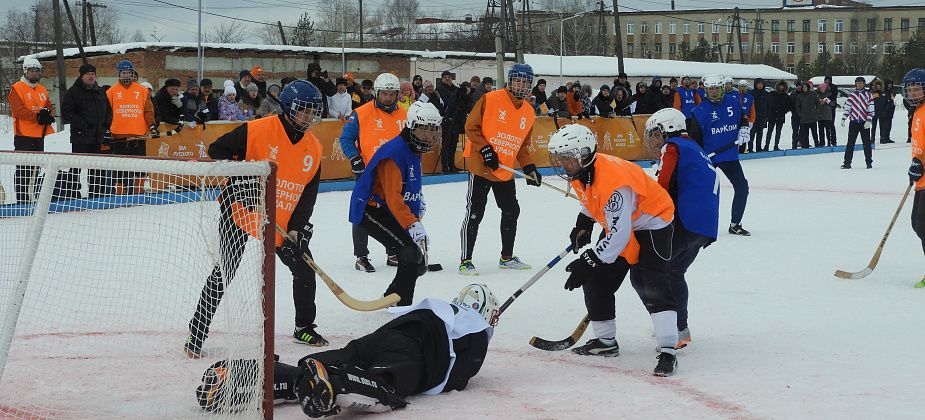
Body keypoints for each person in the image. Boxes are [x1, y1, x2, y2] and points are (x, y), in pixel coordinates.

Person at [184, 80, 329, 358]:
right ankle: (197, 331)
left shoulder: (314, 147)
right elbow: (217, 150)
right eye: (304, 111)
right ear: (288, 108)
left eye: (314, 112)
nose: (309, 117)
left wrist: (298, 228)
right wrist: (245, 181)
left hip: (279, 217)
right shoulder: (258, 129)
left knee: (304, 269)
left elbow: (308, 194)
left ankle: (304, 326)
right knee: (225, 270)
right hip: (240, 210)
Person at [196, 284, 496, 417]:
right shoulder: (477, 328)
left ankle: (254, 376)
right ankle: (339, 384)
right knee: (383, 384)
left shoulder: (438, 307)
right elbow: (460, 374)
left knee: (314, 368)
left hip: (378, 340)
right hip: (408, 352)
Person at [547, 124, 679, 377]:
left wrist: (589, 259)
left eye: (566, 157)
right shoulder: (582, 171)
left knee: (649, 283)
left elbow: (618, 235)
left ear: (583, 153)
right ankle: (605, 342)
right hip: (625, 222)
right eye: (560, 157)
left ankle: (668, 349)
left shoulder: (613, 180)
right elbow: (592, 199)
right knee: (597, 279)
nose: (562, 163)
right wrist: (583, 223)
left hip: (653, 222)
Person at [348, 101, 442, 305]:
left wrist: (418, 203)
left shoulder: (414, 147)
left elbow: (408, 185)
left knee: (417, 262)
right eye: (424, 128)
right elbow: (393, 197)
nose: (429, 134)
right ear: (411, 126)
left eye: (433, 129)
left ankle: (392, 297)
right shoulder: (395, 152)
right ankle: (401, 305)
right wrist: (413, 224)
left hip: (389, 208)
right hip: (371, 209)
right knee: (409, 254)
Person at [647, 108, 719, 349]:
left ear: (668, 129)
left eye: (656, 133)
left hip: (686, 220)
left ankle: (671, 329)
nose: (655, 140)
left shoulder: (674, 146)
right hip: (704, 225)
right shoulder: (696, 148)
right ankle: (681, 329)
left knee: (657, 272)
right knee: (674, 272)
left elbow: (663, 186)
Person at [459, 63, 541, 275]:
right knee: (475, 212)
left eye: (526, 82)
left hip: (504, 169)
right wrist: (486, 150)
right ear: (510, 81)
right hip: (481, 166)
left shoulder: (529, 112)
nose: (521, 85)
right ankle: (465, 260)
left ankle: (507, 257)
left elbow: (522, 146)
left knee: (512, 210)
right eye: (518, 80)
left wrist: (529, 167)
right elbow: (471, 127)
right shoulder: (490, 98)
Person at [338, 73, 408, 272]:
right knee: (363, 212)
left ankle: (393, 252)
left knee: (394, 211)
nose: (387, 97)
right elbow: (346, 139)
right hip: (368, 172)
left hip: (394, 174)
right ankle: (361, 256)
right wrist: (355, 159)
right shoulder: (360, 113)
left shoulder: (405, 115)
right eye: (384, 93)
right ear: (377, 92)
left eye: (391, 93)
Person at [689, 74, 751, 236]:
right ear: (706, 90)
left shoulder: (733, 102)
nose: (714, 92)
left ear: (722, 88)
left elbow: (743, 118)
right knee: (704, 191)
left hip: (730, 156)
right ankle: (697, 225)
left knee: (742, 187)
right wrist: (699, 158)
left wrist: (744, 127)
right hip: (709, 158)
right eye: (710, 89)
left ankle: (735, 224)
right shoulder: (699, 111)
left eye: (716, 88)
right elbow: (695, 139)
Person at [61, 62, 112, 198]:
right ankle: (72, 193)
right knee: (76, 166)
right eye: (88, 74)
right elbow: (66, 112)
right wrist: (81, 124)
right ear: (82, 76)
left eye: (93, 74)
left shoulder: (100, 91)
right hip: (81, 136)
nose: (91, 76)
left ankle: (97, 194)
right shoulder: (73, 92)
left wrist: (106, 125)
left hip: (97, 136)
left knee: (96, 167)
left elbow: (108, 110)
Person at [8, 57, 55, 203]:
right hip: (23, 136)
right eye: (32, 71)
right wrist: (37, 117)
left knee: (36, 169)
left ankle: (33, 197)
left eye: (37, 71)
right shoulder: (17, 88)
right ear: (25, 71)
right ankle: (22, 200)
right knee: (23, 170)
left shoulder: (42, 89)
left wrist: (48, 115)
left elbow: (49, 106)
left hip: (39, 135)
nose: (34, 74)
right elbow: (19, 111)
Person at [106, 60, 155, 195]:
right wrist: (106, 128)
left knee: (139, 167)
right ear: (119, 74)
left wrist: (152, 125)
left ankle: (138, 193)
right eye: (124, 73)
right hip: (118, 136)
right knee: (120, 169)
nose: (126, 76)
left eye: (129, 73)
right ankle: (120, 194)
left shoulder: (142, 90)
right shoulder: (111, 91)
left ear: (133, 74)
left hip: (138, 136)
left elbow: (148, 111)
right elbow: (106, 112)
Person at [902, 69, 925, 288]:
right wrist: (916, 164)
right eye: (910, 89)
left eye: (917, 88)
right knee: (917, 224)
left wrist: (921, 164)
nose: (913, 93)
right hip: (922, 180)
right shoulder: (917, 112)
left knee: (922, 224)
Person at [841, 76, 875, 169]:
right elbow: (848, 108)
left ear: (864, 84)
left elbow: (871, 110)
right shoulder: (852, 96)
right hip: (854, 122)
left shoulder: (868, 95)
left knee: (866, 143)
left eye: (861, 83)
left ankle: (869, 163)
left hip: (864, 123)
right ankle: (847, 163)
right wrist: (844, 118)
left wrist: (868, 120)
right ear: (855, 84)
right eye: (858, 83)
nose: (859, 84)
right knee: (850, 143)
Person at [444, 82, 473, 173]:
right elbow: (451, 107)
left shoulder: (466, 97)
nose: (468, 89)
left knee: (453, 146)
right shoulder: (456, 96)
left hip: (458, 124)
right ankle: (446, 166)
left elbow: (468, 108)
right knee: (447, 146)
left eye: (469, 87)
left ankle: (452, 165)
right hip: (450, 123)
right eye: (466, 88)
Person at [764, 80, 791, 151]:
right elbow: (768, 104)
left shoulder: (786, 96)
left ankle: (776, 146)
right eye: (780, 85)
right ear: (777, 86)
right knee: (769, 132)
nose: (781, 87)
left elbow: (788, 106)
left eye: (782, 86)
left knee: (778, 132)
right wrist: (769, 112)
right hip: (772, 116)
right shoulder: (772, 94)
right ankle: (766, 146)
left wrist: (783, 112)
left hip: (780, 116)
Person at [793, 82, 819, 149]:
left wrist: (816, 112)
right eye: (803, 87)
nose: (804, 88)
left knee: (815, 133)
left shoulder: (813, 94)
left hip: (812, 117)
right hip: (804, 118)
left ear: (808, 87)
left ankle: (817, 144)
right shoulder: (799, 96)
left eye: (805, 87)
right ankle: (805, 145)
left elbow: (817, 103)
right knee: (805, 134)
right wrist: (800, 114)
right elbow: (797, 106)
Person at [734, 80, 757, 153]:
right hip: (735, 119)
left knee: (743, 136)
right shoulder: (735, 96)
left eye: (744, 87)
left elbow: (752, 110)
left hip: (745, 120)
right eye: (741, 86)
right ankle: (734, 152)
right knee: (734, 136)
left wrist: (751, 121)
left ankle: (742, 151)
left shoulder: (750, 97)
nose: (742, 88)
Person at [749, 79, 770, 152]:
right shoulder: (751, 93)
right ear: (755, 84)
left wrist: (766, 116)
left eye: (761, 84)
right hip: (753, 117)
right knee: (751, 134)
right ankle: (750, 149)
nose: (760, 85)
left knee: (760, 134)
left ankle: (758, 148)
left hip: (762, 117)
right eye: (758, 84)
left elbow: (768, 106)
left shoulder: (766, 94)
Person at [873, 79, 896, 144]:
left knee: (888, 125)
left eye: (891, 84)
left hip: (889, 110)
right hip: (883, 111)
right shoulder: (883, 91)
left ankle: (886, 137)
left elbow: (892, 98)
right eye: (889, 84)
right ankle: (883, 138)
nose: (890, 85)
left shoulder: (890, 91)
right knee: (882, 126)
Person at [816, 82, 837, 147]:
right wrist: (819, 102)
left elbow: (834, 104)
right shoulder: (817, 95)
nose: (822, 89)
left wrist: (828, 101)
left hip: (828, 115)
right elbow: (814, 104)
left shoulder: (830, 94)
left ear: (826, 88)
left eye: (823, 88)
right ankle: (822, 143)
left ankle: (829, 142)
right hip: (820, 115)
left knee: (828, 130)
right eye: (821, 88)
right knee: (821, 130)